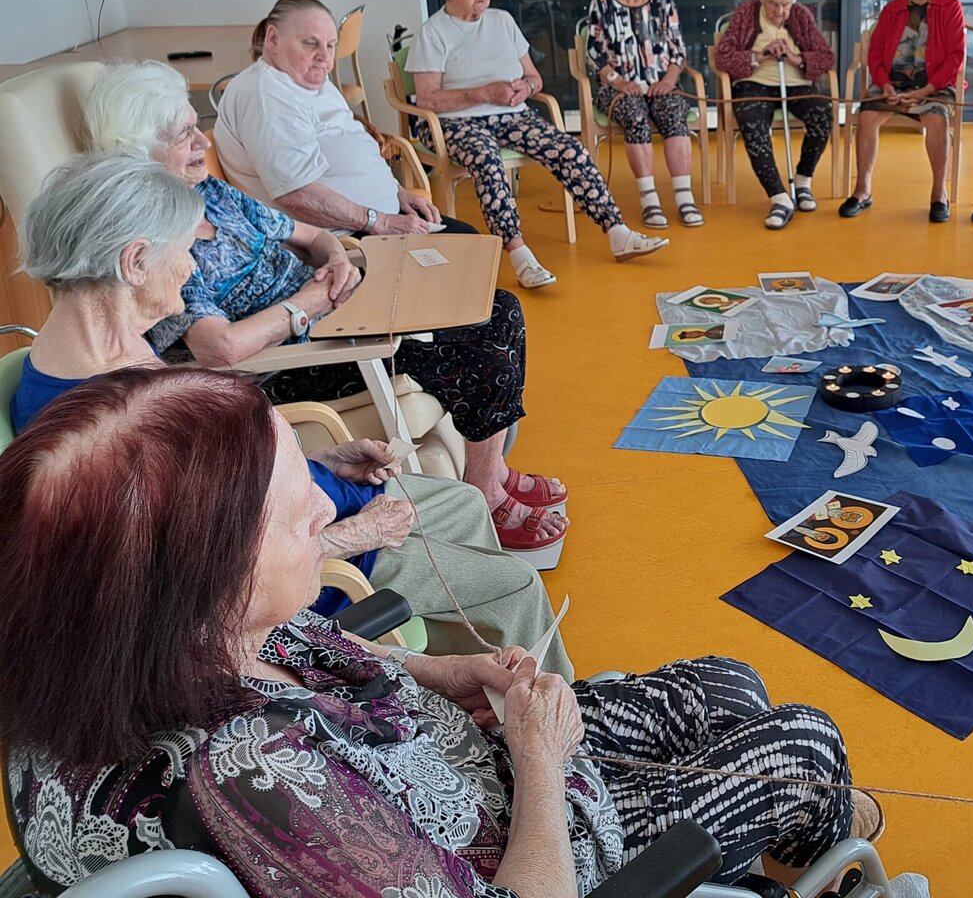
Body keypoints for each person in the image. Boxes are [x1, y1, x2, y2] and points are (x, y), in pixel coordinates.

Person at [0, 367, 880, 895]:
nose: (324, 510)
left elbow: (297, 654)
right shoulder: (251, 780)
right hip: (531, 846)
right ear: (205, 577)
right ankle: (825, 844)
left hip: (451, 766)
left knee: (727, 683)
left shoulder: (125, 643)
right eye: (294, 509)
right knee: (801, 748)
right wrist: (540, 759)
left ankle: (797, 824)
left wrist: (438, 674)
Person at [11, 153, 573, 667]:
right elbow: (205, 584)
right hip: (306, 562)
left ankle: (466, 693)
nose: (190, 267)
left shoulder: (115, 352)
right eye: (184, 251)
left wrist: (321, 460)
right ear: (135, 262)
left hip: (312, 503)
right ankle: (550, 723)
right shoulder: (104, 425)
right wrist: (353, 536)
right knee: (518, 588)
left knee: (466, 502)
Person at [83, 61, 568, 553]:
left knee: (497, 306)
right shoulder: (158, 238)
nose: (202, 142)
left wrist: (336, 260)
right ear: (140, 151)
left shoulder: (209, 192)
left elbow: (310, 235)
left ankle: (494, 473)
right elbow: (219, 347)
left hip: (336, 313)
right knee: (478, 345)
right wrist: (308, 304)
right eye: (185, 135)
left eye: (196, 127)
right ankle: (486, 492)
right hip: (294, 360)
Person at [408, 0, 668, 287]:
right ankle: (520, 257)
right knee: (487, 161)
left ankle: (618, 234)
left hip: (512, 113)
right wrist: (483, 94)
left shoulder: (502, 21)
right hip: (455, 122)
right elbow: (428, 99)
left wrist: (526, 87)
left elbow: (534, 78)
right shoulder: (433, 32)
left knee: (569, 150)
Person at [215, 0, 456, 237]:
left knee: (468, 240)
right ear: (273, 39)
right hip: (342, 239)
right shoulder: (267, 95)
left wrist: (397, 192)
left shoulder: (309, 80)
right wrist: (380, 221)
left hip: (375, 220)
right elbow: (297, 195)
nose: (324, 56)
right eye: (310, 43)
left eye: (331, 45)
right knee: (465, 248)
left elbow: (350, 144)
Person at [841, 0, 966, 223]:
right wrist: (885, 84)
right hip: (893, 83)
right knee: (867, 115)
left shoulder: (951, 8)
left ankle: (939, 193)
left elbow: (956, 58)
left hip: (935, 84)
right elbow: (875, 53)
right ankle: (862, 190)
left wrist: (927, 90)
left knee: (936, 118)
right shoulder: (892, 9)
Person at [584, 0, 703, 229]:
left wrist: (669, 80)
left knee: (674, 115)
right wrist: (619, 82)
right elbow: (594, 53)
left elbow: (678, 51)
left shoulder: (663, 3)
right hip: (618, 88)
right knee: (635, 118)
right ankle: (650, 200)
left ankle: (684, 197)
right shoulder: (602, 4)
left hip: (660, 84)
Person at [713, 0, 836, 229]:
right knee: (751, 119)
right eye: (773, 4)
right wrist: (759, 55)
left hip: (796, 84)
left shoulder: (801, 15)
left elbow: (826, 57)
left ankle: (803, 182)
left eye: (785, 4)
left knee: (823, 113)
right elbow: (722, 57)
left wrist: (796, 58)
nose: (780, 11)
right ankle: (779, 196)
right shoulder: (747, 13)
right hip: (754, 83)